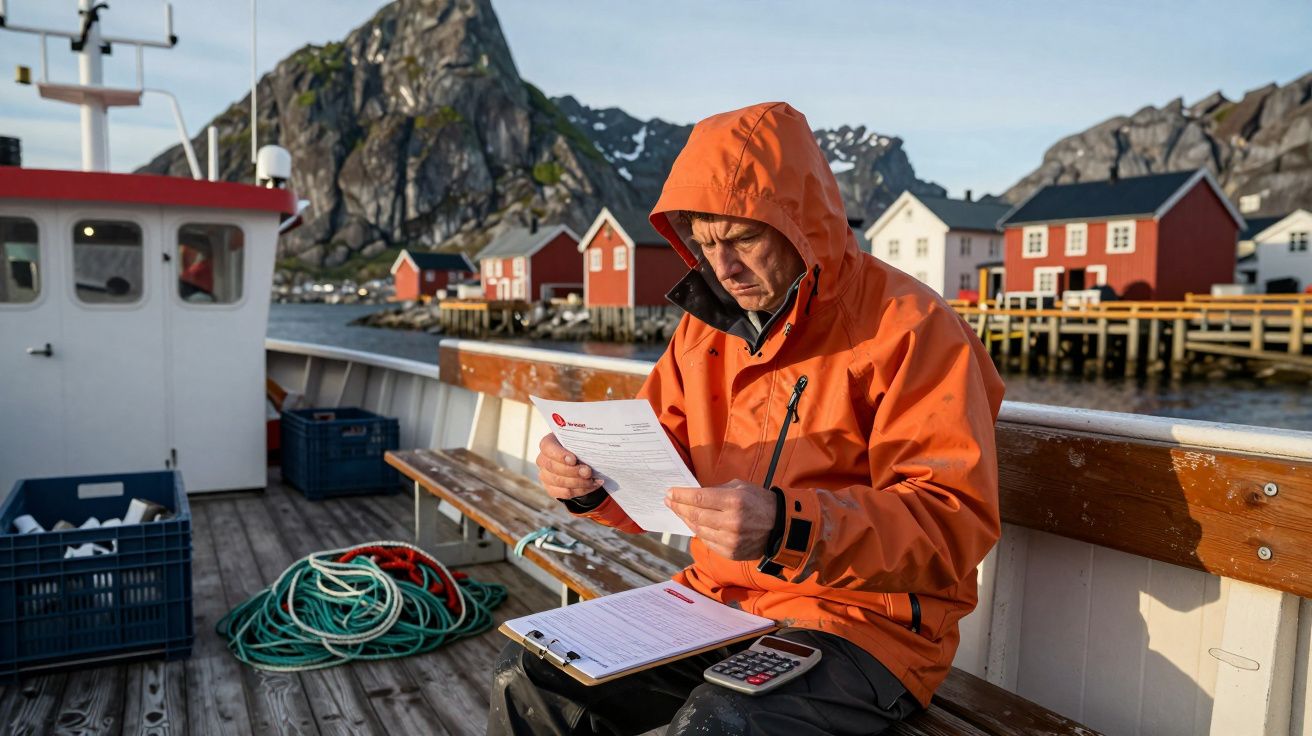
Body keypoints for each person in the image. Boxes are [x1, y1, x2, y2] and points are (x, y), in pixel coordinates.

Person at [488, 102, 1005, 735]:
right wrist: (591, 482)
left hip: (865, 628)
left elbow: (952, 525)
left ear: (801, 227)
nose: (724, 268)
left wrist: (787, 525)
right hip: (715, 600)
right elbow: (660, 468)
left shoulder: (913, 328)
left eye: (742, 239)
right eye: (706, 244)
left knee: (722, 723)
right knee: (531, 675)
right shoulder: (702, 332)